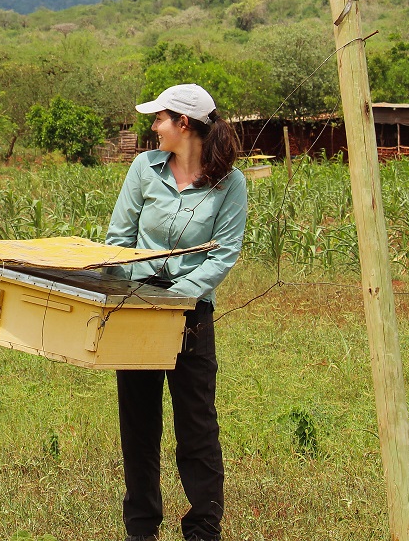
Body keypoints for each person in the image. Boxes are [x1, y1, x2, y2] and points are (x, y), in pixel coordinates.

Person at [104, 83, 247, 541]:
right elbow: (119, 239)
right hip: (137, 308)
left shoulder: (230, 183)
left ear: (183, 124)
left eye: (159, 118)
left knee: (197, 427)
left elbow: (222, 255)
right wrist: (133, 293)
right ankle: (141, 529)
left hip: (190, 316)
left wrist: (176, 300)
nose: (153, 127)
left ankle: (203, 529)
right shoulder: (143, 168)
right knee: (139, 425)